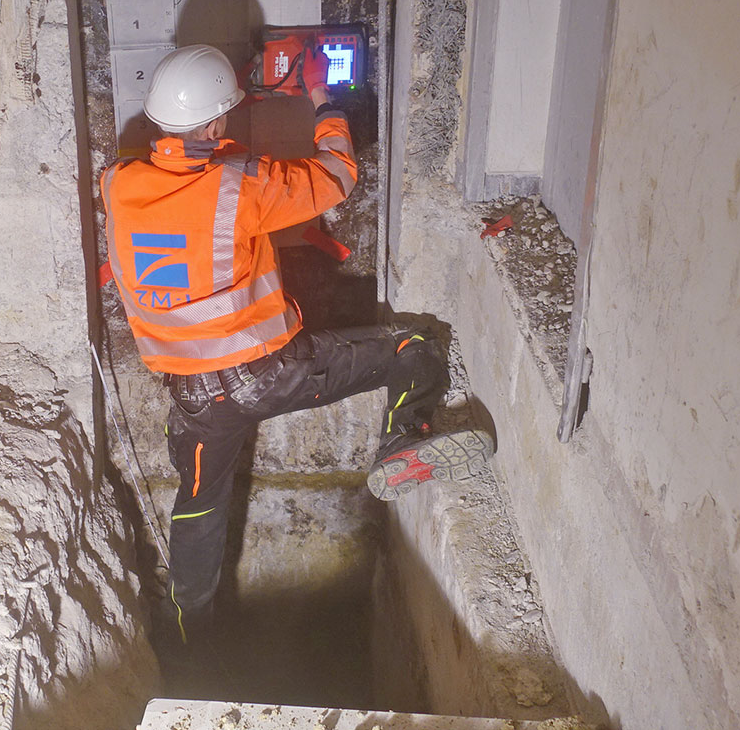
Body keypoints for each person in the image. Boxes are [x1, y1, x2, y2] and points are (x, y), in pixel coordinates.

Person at [100, 43, 493, 646]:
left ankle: (191, 637)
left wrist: (228, 117)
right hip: (267, 377)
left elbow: (192, 175)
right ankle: (403, 437)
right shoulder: (243, 188)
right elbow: (339, 173)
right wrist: (318, 96)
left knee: (200, 507)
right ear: (214, 122)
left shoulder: (118, 183)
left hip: (194, 402)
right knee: (413, 345)